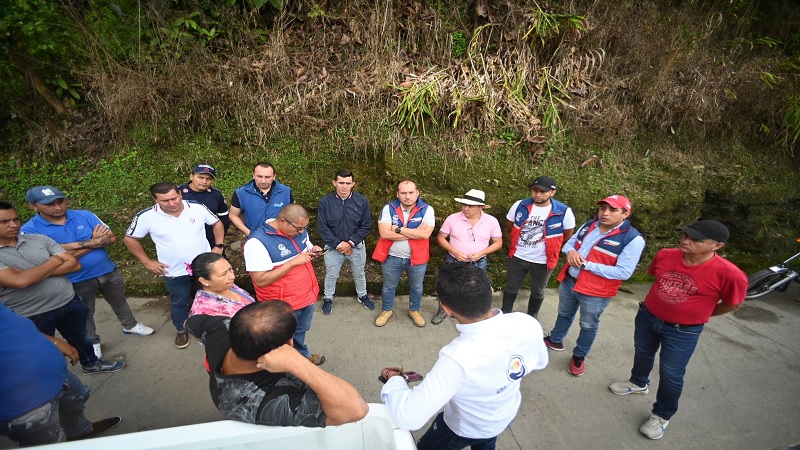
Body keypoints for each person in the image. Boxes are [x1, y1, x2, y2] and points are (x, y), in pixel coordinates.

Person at [380, 264, 548, 450]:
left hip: (464, 428)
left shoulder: (457, 358)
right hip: (502, 417)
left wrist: (394, 380)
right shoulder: (526, 323)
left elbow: (408, 416)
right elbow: (539, 362)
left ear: (447, 309)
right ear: (490, 291)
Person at [609, 220, 747, 440]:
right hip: (648, 316)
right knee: (642, 352)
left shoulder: (730, 274)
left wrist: (699, 313)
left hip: (683, 331)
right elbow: (658, 278)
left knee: (671, 374)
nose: (686, 240)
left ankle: (662, 414)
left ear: (717, 245)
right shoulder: (665, 254)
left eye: (695, 239)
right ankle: (637, 382)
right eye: (685, 235)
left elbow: (732, 304)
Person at [21, 185, 154, 360]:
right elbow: (47, 258)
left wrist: (67, 249)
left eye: (60, 201)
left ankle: (130, 325)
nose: (58, 207)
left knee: (120, 301)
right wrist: (93, 241)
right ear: (33, 206)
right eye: (50, 204)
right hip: (76, 279)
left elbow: (110, 238)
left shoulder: (84, 215)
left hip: (108, 270)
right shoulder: (30, 230)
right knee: (85, 313)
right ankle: (93, 342)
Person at [185, 300, 368, 427]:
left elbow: (191, 322)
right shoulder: (260, 401)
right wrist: (298, 363)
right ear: (286, 346)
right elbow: (356, 409)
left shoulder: (218, 328)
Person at [0, 202, 125, 375]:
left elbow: (73, 265)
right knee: (40, 352)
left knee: (82, 338)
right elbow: (21, 282)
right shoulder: (35, 234)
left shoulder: (39, 239)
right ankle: (53, 383)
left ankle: (92, 364)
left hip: (67, 301)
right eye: (4, 222)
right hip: (33, 313)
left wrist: (31, 273)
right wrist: (55, 261)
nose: (13, 225)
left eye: (16, 219)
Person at [543, 195, 645, 377]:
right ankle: (555, 340)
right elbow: (570, 243)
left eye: (613, 210)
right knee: (564, 313)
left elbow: (623, 272)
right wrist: (572, 251)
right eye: (602, 208)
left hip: (596, 292)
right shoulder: (590, 225)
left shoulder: (633, 239)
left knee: (588, 325)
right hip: (570, 281)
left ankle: (579, 355)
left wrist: (586, 265)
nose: (605, 213)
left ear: (625, 214)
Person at [0, 303, 122, 446]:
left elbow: (14, 323)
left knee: (77, 400)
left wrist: (55, 341)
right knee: (47, 443)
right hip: (25, 404)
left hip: (58, 374)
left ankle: (80, 432)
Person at [123, 182, 224, 349]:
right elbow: (130, 238)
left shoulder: (197, 207)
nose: (171, 203)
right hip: (173, 271)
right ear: (154, 199)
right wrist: (147, 261)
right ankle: (181, 329)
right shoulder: (146, 217)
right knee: (179, 301)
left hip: (204, 266)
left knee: (210, 296)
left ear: (180, 194)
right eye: (165, 201)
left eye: (174, 198)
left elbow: (217, 223)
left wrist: (218, 246)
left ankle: (213, 325)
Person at [243, 203, 326, 365]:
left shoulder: (298, 231)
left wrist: (313, 250)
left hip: (305, 297)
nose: (302, 232)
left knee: (300, 332)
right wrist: (292, 263)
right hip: (282, 305)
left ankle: (301, 357)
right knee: (280, 339)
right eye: (299, 228)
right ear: (282, 221)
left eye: (305, 227)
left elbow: (305, 248)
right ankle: (285, 370)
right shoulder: (256, 243)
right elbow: (260, 280)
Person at [502, 176, 575, 319]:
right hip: (518, 256)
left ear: (553, 192)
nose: (538, 194)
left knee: (538, 291)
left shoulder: (564, 212)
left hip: (543, 261)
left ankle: (532, 317)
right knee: (511, 287)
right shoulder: (520, 205)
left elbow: (566, 235)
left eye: (543, 191)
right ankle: (504, 315)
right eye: (535, 190)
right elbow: (510, 226)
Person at [431, 189, 502, 325]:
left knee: (478, 288)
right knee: (446, 286)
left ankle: (475, 313)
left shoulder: (491, 221)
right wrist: (454, 251)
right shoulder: (453, 218)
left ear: (481, 207)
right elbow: (441, 238)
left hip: (478, 262)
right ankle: (443, 310)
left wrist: (481, 253)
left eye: (470, 206)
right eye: (464, 205)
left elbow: (498, 242)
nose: (465, 208)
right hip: (454, 260)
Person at [372, 180, 435, 328]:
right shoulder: (389, 208)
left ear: (417, 193)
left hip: (417, 257)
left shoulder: (427, 209)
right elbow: (384, 234)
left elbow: (425, 234)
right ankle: (386, 310)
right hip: (392, 256)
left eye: (411, 192)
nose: (407, 196)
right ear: (398, 194)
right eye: (403, 193)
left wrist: (398, 229)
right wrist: (415, 232)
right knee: (388, 286)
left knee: (417, 287)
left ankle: (414, 310)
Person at [316, 170, 374, 315]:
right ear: (334, 183)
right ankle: (328, 298)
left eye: (348, 183)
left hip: (357, 247)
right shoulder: (325, 202)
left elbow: (366, 225)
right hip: (333, 247)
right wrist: (339, 244)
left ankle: (363, 295)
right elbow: (322, 227)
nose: (344, 186)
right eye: (341, 183)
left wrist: (350, 242)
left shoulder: (362, 201)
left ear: (353, 184)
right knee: (331, 274)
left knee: (360, 273)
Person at [229, 162, 293, 237]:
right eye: (259, 176)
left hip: (281, 238)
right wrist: (249, 233)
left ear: (274, 176)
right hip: (255, 239)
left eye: (267, 177)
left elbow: (294, 215)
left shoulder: (286, 191)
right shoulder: (241, 193)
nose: (263, 181)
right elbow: (233, 215)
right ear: (253, 175)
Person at [178, 164, 231, 251]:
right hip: (185, 241)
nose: (204, 181)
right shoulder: (179, 194)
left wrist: (219, 243)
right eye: (200, 177)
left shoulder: (216, 195)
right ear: (192, 176)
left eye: (208, 179)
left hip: (211, 240)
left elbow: (224, 219)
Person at [189, 252, 255, 319]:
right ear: (204, 281)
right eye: (223, 274)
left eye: (230, 269)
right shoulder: (205, 313)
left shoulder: (228, 286)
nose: (232, 276)